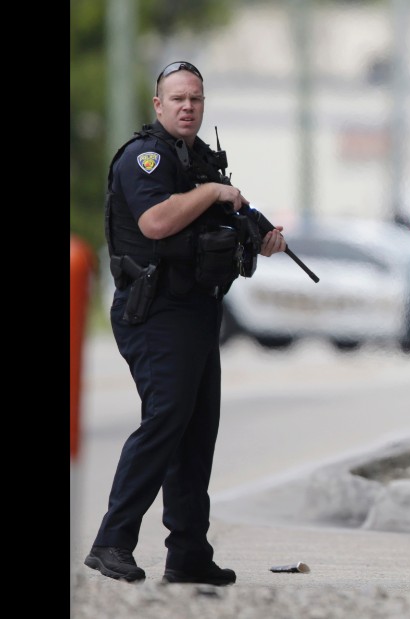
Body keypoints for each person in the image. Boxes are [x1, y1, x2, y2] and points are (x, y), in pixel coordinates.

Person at [84, 60, 287, 585]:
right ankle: (111, 541)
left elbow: (218, 227)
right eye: (177, 98)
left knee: (197, 433)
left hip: (197, 310)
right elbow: (156, 222)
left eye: (195, 98)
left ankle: (188, 553)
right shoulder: (144, 158)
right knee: (165, 421)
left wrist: (258, 234)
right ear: (158, 104)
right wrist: (216, 193)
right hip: (153, 312)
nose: (187, 106)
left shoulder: (198, 161)